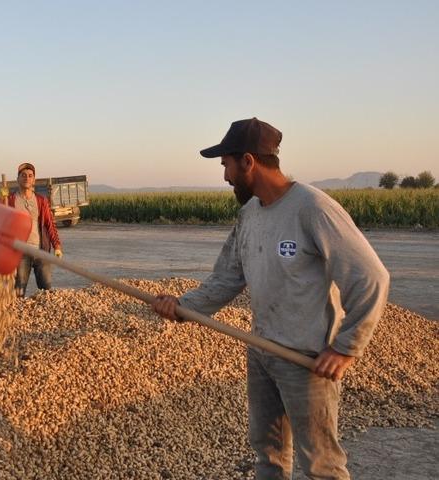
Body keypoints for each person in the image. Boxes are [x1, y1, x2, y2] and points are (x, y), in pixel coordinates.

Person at [152, 118, 389, 479]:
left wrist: (345, 348)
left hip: (305, 360)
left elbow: (371, 277)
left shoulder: (312, 208)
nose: (225, 177)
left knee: (321, 465)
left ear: (248, 161)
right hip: (262, 351)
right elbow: (227, 277)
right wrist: (182, 307)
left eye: (226, 165)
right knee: (268, 454)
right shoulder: (249, 214)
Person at [8, 162, 63, 297]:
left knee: (46, 290)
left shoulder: (41, 200)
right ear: (17, 179)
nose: (27, 178)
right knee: (19, 291)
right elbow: (0, 222)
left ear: (34, 180)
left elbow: (50, 224)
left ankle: (46, 310)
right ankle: (19, 310)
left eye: (30, 175)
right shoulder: (10, 200)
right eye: (23, 175)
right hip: (20, 252)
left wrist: (56, 246)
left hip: (40, 250)